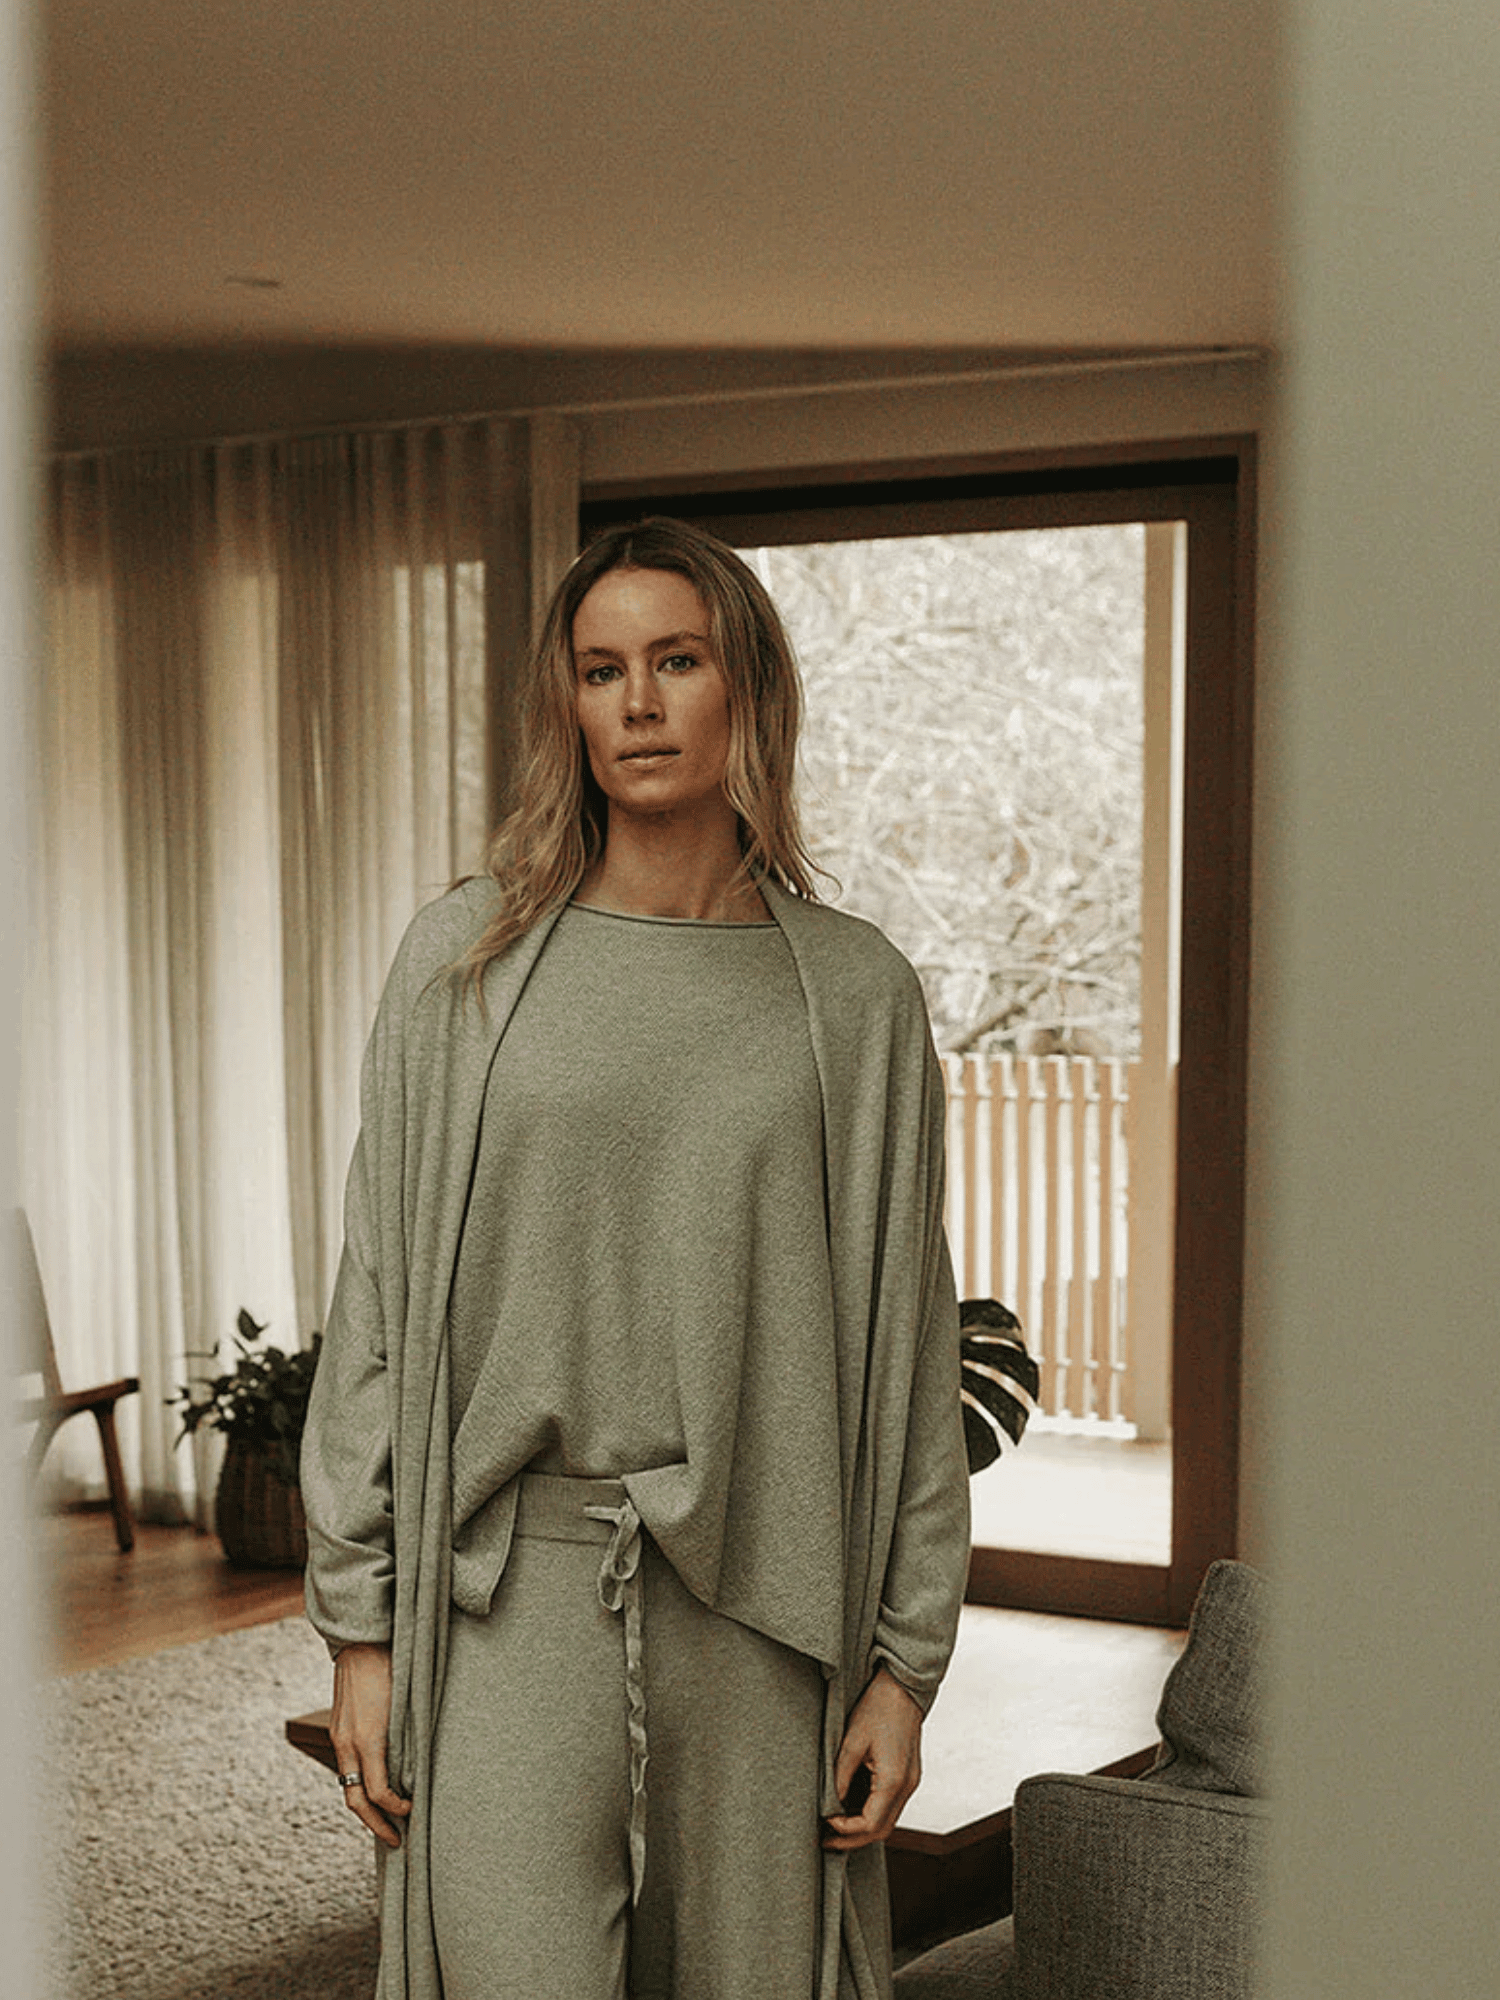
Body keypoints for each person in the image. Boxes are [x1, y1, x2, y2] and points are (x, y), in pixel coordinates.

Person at [300, 516, 971, 2000]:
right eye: (602, 671)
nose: (640, 704)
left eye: (678, 662)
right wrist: (360, 1626)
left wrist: (904, 1666)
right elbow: (380, 1302)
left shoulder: (853, 994)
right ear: (570, 705)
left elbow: (909, 1349)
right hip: (508, 1594)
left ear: (749, 689)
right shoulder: (465, 962)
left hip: (765, 1608)